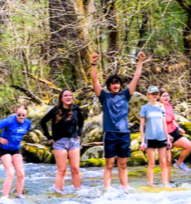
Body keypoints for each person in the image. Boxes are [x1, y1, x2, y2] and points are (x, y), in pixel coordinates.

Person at [90, 52, 145, 192]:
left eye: (117, 83)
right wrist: (93, 64)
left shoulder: (126, 95)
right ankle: (107, 189)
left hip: (124, 134)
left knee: (123, 164)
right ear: (109, 86)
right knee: (109, 164)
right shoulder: (104, 96)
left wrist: (140, 61)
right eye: (113, 84)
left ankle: (125, 187)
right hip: (110, 134)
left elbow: (136, 77)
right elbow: (94, 80)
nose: (116, 86)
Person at [40, 89, 84, 194]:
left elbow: (81, 122)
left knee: (75, 169)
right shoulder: (55, 110)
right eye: (66, 95)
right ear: (61, 98)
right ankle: (58, 192)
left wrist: (79, 133)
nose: (68, 97)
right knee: (62, 170)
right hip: (59, 143)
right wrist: (49, 137)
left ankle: (78, 192)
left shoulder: (76, 109)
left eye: (70, 95)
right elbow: (43, 122)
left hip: (73, 141)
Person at [140, 86, 172, 187]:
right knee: (152, 163)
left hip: (161, 137)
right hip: (150, 138)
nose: (155, 95)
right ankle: (151, 185)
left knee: (163, 162)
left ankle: (165, 185)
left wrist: (168, 138)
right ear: (148, 95)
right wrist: (142, 141)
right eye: (152, 93)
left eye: (156, 94)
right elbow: (141, 126)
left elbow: (164, 123)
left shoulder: (161, 107)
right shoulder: (144, 108)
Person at [159, 88, 191, 181]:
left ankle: (179, 163)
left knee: (189, 145)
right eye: (164, 96)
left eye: (167, 95)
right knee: (167, 161)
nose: (166, 98)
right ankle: (167, 182)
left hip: (173, 132)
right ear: (159, 97)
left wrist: (179, 128)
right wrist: (167, 135)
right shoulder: (158, 107)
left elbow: (172, 120)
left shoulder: (169, 105)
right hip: (164, 134)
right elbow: (159, 123)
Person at [0, 105, 31, 198]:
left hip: (16, 149)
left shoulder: (28, 123)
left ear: (26, 115)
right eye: (19, 114)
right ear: (15, 113)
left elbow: (24, 132)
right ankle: (5, 198)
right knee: (10, 173)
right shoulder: (9, 121)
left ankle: (19, 196)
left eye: (23, 115)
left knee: (21, 174)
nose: (21, 117)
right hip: (4, 148)